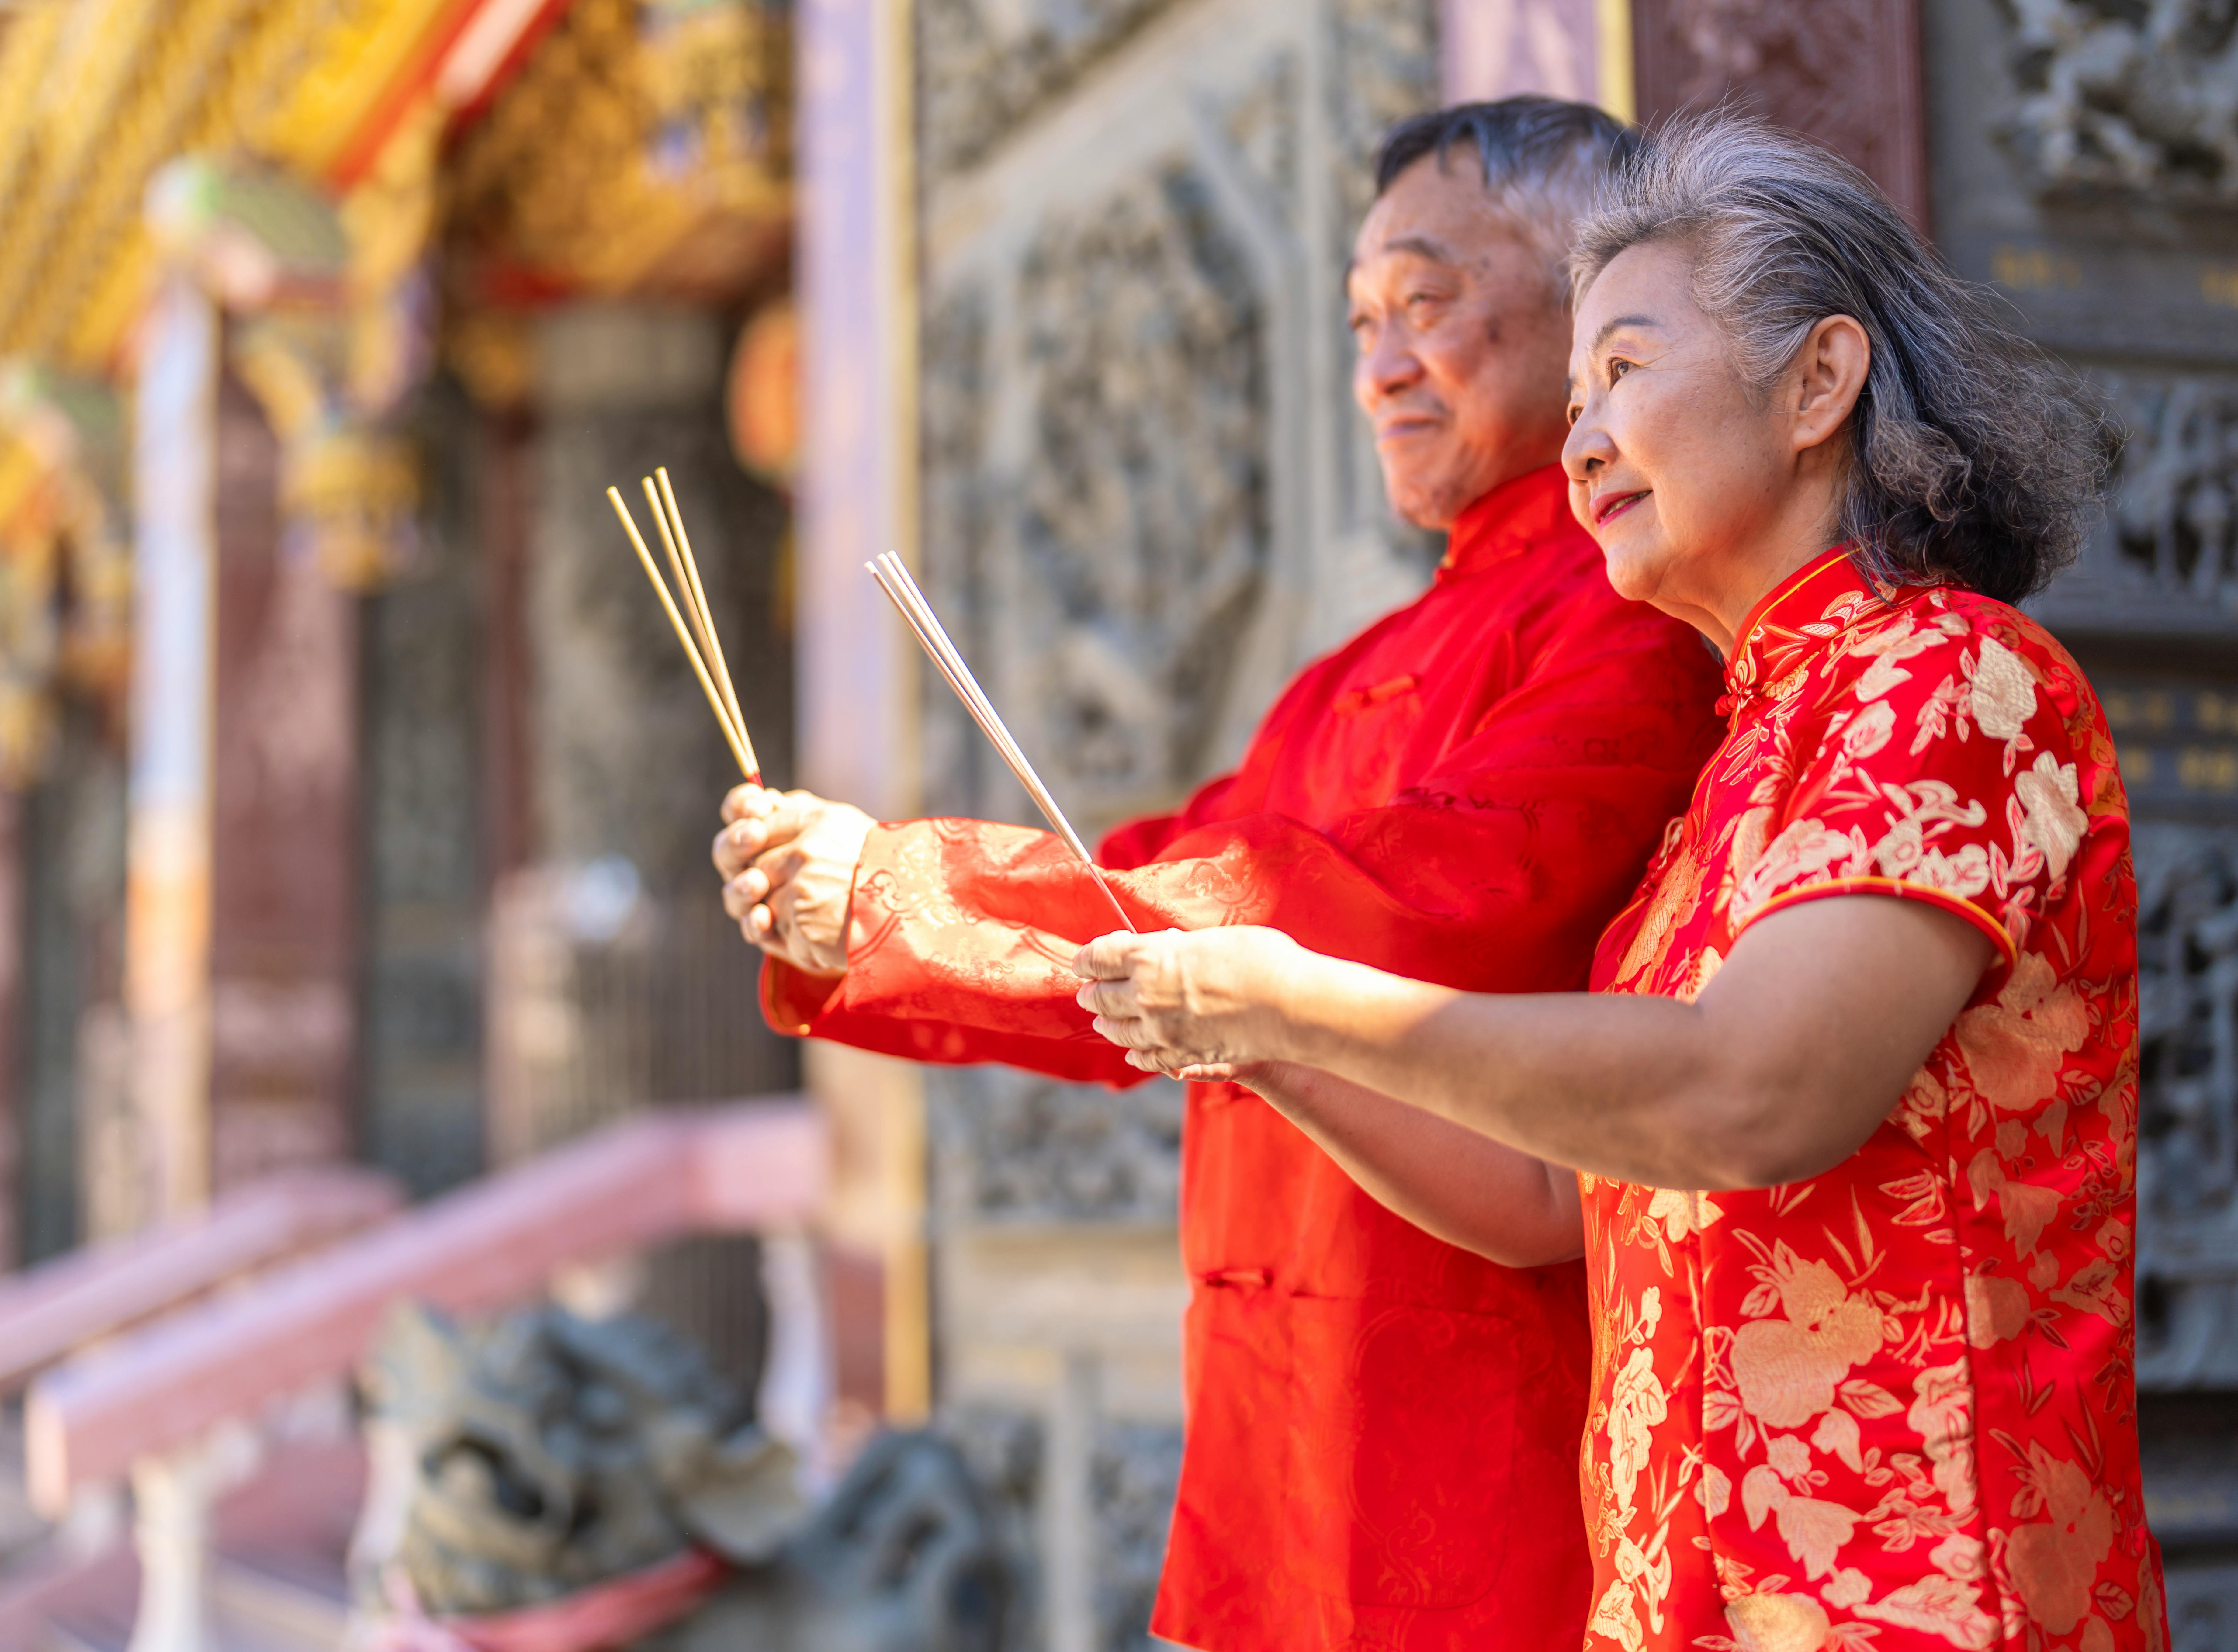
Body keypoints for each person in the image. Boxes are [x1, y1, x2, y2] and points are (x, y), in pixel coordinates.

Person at [1077, 112, 2162, 1651]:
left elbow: (1747, 1092)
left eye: (1627, 369)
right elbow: (1547, 1198)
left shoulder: (1948, 677)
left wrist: (1302, 998)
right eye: (1577, 390)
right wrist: (1255, 1042)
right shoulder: (1732, 773)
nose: (1582, 440)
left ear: (1817, 382)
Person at [716, 99, 1727, 1651]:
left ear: (1600, 310)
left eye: (1427, 300)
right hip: (1280, 1433)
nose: (1380, 365)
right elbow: (1150, 903)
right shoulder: (1343, 679)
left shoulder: (1632, 616)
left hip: (1485, 1434)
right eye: (1360, 320)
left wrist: (914, 897)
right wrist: (859, 913)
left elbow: (1406, 900)